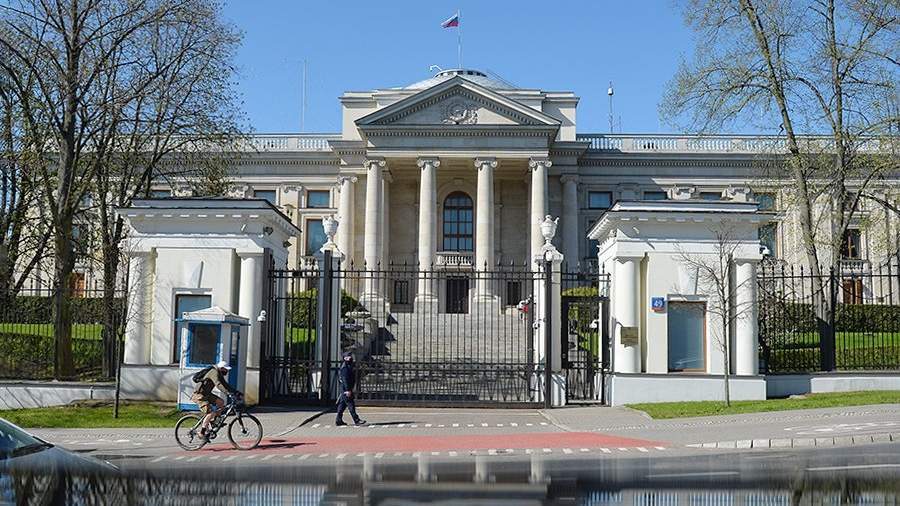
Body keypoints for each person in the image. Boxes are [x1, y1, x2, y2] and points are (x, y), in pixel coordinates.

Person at [191, 360, 241, 435]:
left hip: (207, 394)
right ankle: (202, 432)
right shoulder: (214, 372)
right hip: (200, 395)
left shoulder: (219, 373)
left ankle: (214, 422)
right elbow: (218, 384)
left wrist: (236, 392)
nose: (227, 371)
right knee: (211, 413)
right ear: (221, 368)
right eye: (226, 369)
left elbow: (225, 385)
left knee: (221, 402)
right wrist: (228, 393)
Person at [335, 351, 366, 426]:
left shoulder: (348, 366)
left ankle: (338, 420)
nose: (351, 358)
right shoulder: (345, 368)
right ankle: (356, 420)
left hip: (345, 389)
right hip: (346, 389)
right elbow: (345, 380)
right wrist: (347, 390)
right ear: (345, 358)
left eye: (351, 356)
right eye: (349, 356)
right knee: (350, 404)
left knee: (342, 405)